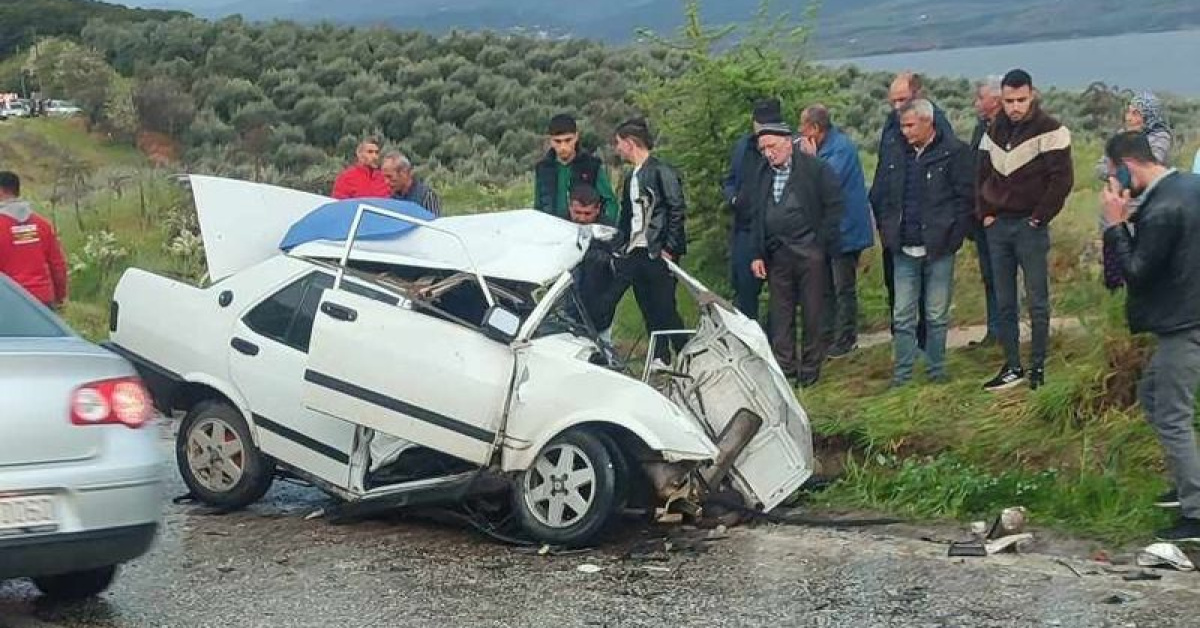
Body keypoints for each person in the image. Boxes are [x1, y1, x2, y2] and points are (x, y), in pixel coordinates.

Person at [1101, 131, 1200, 542]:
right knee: (1152, 396)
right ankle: (1188, 482)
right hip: (1187, 313)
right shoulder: (1191, 186)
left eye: (1113, 173)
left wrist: (1116, 225)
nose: (1112, 182)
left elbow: (1137, 274)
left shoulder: (1160, 208)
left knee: (1173, 414)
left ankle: (1196, 514)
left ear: (1127, 166)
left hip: (1183, 322)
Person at [977, 69, 1074, 391]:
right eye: (1009, 101)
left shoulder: (1052, 130)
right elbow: (980, 175)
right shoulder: (993, 130)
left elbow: (1062, 180)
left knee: (1037, 300)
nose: (1015, 107)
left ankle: (1038, 366)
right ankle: (1012, 366)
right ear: (1001, 100)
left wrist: (1039, 218)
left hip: (1030, 226)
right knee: (1005, 301)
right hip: (999, 226)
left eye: (1021, 100)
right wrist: (986, 213)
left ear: (1032, 95)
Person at [873, 101, 975, 386]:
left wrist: (953, 239)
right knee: (902, 316)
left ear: (928, 122)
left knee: (936, 315)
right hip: (903, 248)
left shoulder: (954, 152)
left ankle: (936, 372)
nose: (904, 132)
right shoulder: (895, 154)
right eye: (902, 126)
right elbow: (880, 194)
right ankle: (903, 376)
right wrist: (887, 232)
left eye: (910, 125)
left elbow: (965, 199)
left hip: (940, 249)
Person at [749, 122, 844, 387]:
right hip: (777, 253)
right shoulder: (761, 174)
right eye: (763, 149)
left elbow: (834, 207)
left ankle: (811, 369)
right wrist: (757, 253)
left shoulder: (815, 169)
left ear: (788, 142)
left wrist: (820, 245)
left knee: (813, 312)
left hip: (810, 252)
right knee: (781, 313)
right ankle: (785, 368)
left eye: (772, 146)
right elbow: (755, 216)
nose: (768, 153)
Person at [870, 72, 956, 349]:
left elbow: (950, 185)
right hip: (895, 224)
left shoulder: (938, 127)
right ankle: (903, 348)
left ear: (918, 96)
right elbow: (884, 172)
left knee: (928, 296)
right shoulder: (890, 125)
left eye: (903, 100)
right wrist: (882, 216)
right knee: (896, 288)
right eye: (893, 101)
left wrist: (949, 230)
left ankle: (927, 349)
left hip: (926, 227)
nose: (897, 107)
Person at [609, 118, 688, 365]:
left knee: (665, 306)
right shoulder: (631, 176)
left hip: (657, 249)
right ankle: (660, 356)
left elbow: (676, 208)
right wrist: (620, 245)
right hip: (636, 250)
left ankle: (686, 352)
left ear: (630, 143)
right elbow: (627, 216)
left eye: (619, 143)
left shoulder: (661, 171)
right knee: (647, 305)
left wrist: (670, 246)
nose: (617, 149)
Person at [798, 104, 873, 358]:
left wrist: (809, 160)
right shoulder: (826, 148)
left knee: (843, 288)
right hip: (830, 230)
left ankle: (846, 339)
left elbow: (826, 182)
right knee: (826, 287)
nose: (800, 131)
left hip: (846, 230)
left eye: (803, 126)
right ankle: (827, 337)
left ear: (815, 128)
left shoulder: (841, 149)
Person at [1095, 91, 1173, 290]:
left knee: (1137, 260)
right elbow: (1100, 167)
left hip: (1141, 207)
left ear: (1149, 116)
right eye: (1128, 112)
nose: (1129, 117)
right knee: (1115, 255)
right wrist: (1117, 172)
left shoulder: (1159, 138)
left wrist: (1118, 172)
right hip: (1117, 206)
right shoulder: (1122, 137)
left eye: (1136, 113)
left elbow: (1148, 164)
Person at [723, 98, 783, 320]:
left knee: (781, 293)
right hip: (745, 229)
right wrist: (733, 199)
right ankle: (748, 335)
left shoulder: (787, 147)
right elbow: (730, 180)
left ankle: (777, 337)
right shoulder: (743, 147)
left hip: (776, 232)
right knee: (744, 290)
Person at [968, 76, 1004, 347]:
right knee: (989, 275)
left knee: (1003, 275)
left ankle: (1006, 332)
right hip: (981, 214)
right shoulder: (980, 128)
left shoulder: (1009, 129)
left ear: (996, 99)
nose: (976, 103)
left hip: (1001, 216)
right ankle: (994, 331)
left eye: (981, 98)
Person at [0, 171, 68, 309]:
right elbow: (57, 266)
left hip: (9, 302)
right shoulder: (42, 225)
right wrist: (60, 296)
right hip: (42, 301)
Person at [534, 114, 618, 223]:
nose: (563, 147)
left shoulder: (592, 165)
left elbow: (610, 202)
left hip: (586, 228)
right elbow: (538, 206)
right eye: (557, 141)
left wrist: (603, 227)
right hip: (553, 228)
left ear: (576, 137)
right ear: (550, 140)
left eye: (568, 140)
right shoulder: (543, 168)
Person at [566, 184, 618, 341]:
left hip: (599, 306)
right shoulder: (559, 225)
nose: (582, 218)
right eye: (577, 212)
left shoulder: (610, 232)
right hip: (565, 305)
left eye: (587, 213)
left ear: (597, 209)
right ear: (570, 207)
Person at [382, 151, 442, 216]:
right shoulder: (393, 198)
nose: (386, 181)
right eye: (385, 177)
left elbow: (434, 221)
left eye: (390, 176)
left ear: (404, 173)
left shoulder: (427, 196)